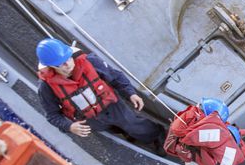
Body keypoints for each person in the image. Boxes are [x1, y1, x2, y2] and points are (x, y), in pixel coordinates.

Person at [35, 38, 166, 155]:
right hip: (89, 120)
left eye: (68, 58)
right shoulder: (46, 87)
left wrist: (130, 93)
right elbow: (52, 115)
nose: (67, 65)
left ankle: (157, 135)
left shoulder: (90, 61)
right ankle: (129, 135)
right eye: (60, 64)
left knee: (133, 124)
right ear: (51, 67)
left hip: (112, 106)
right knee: (116, 129)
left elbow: (116, 76)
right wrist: (69, 126)